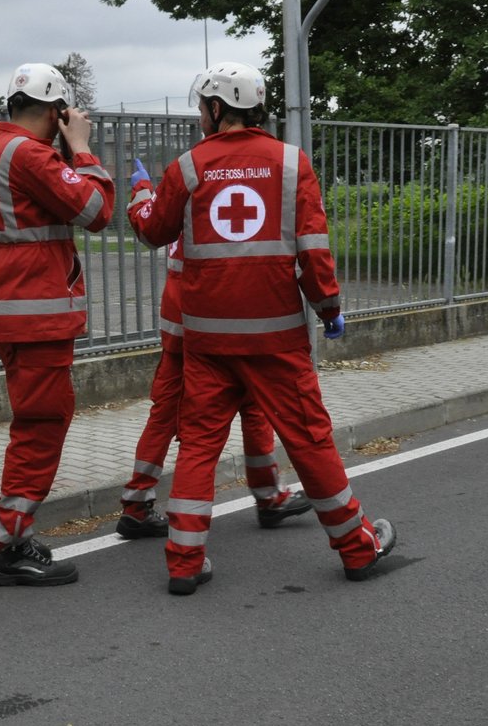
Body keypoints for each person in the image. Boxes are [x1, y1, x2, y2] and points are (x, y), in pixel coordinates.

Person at [127, 61, 395, 594]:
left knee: (199, 446)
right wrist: (329, 308)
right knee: (310, 440)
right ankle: (355, 548)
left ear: (218, 107)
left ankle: (184, 561)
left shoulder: (187, 166)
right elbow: (312, 250)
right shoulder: (292, 164)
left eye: (203, 108)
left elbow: (154, 232)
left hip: (207, 341)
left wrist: (139, 194)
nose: (201, 117)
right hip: (276, 340)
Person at [0, 62, 114, 586]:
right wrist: (83, 149)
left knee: (35, 421)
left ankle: (12, 530)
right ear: (54, 111)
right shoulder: (29, 154)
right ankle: (10, 541)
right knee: (42, 425)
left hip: (9, 310)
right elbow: (97, 209)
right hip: (35, 313)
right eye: (63, 114)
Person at [114, 172, 313, 539]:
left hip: (176, 322)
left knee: (165, 413)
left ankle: (137, 502)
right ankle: (269, 498)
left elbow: (148, 219)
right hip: (212, 325)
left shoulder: (185, 189)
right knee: (252, 410)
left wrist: (142, 187)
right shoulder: (225, 194)